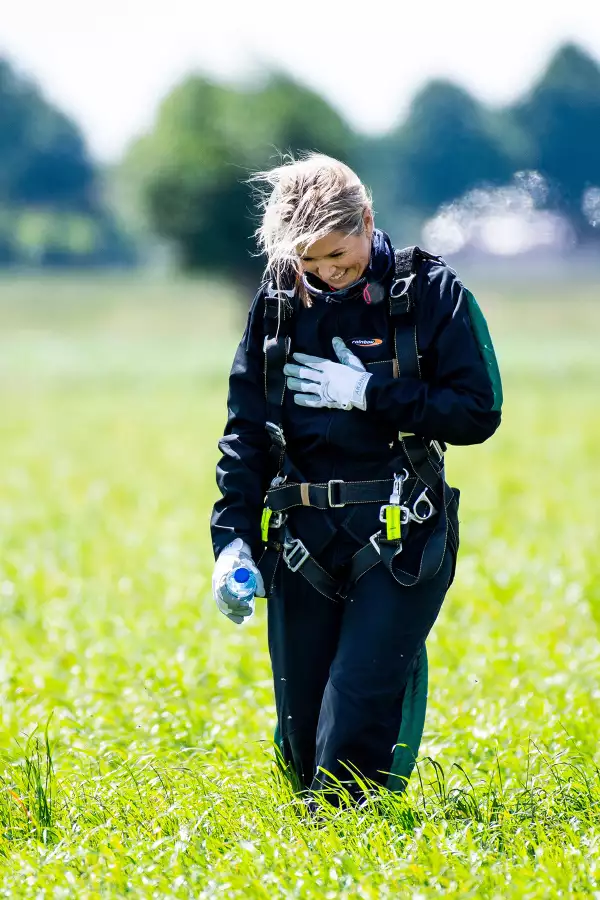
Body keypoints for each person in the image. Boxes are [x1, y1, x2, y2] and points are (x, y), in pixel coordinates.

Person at [210, 154, 502, 806]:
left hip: (401, 535)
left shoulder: (429, 292)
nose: (325, 275)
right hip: (302, 537)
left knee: (350, 731)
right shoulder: (281, 298)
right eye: (308, 264)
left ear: (367, 221)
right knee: (302, 743)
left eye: (337, 257)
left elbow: (478, 412)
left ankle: (350, 857)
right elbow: (246, 427)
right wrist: (230, 539)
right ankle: (332, 843)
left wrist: (372, 392)